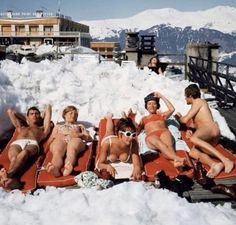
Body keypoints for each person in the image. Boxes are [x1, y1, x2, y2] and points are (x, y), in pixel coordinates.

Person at [175, 84, 234, 177]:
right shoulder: (197, 106)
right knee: (192, 152)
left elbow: (185, 120)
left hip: (210, 129)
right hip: (209, 135)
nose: (185, 99)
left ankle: (225, 160)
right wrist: (190, 129)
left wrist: (179, 117)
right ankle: (214, 164)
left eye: (185, 97)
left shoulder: (198, 101)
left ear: (190, 96)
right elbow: (196, 124)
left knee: (194, 139)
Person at [0, 105, 52, 190]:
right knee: (14, 159)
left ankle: (9, 174)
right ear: (27, 117)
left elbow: (48, 108)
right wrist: (26, 120)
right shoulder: (21, 127)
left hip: (32, 144)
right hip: (16, 143)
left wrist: (41, 117)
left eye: (36, 114)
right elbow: (10, 112)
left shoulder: (43, 129)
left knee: (24, 153)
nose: (34, 115)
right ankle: (12, 181)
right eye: (31, 114)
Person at [137, 92, 185, 168]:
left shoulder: (162, 115)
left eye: (154, 104)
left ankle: (175, 163)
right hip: (151, 136)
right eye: (149, 104)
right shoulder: (143, 119)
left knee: (169, 147)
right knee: (161, 145)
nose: (152, 106)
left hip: (163, 132)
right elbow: (137, 131)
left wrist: (162, 96)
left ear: (157, 106)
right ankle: (177, 158)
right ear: (146, 106)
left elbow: (172, 109)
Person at [46, 105, 92, 177]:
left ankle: (68, 167)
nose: (73, 115)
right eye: (71, 113)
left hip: (75, 139)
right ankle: (55, 168)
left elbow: (89, 138)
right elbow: (52, 137)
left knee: (72, 149)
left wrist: (80, 135)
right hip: (60, 139)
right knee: (57, 151)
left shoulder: (80, 126)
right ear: (65, 114)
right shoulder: (58, 126)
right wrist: (44, 151)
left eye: (75, 114)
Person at [97, 112, 142, 180]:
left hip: (120, 135)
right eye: (128, 134)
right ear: (120, 134)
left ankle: (124, 118)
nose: (131, 138)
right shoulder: (107, 143)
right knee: (109, 131)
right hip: (110, 139)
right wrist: (107, 166)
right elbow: (99, 164)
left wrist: (137, 168)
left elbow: (136, 163)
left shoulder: (133, 143)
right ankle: (109, 117)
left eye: (133, 134)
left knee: (126, 125)